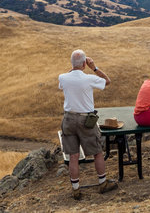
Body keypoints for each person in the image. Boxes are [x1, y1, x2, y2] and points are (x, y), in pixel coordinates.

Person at [59, 49, 117, 200]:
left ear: (72, 64)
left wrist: (74, 66)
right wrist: (94, 67)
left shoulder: (63, 78)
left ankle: (76, 189)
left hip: (68, 119)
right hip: (86, 120)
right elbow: (108, 81)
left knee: (73, 155)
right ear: (85, 63)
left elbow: (66, 78)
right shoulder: (90, 78)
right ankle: (102, 183)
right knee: (97, 152)